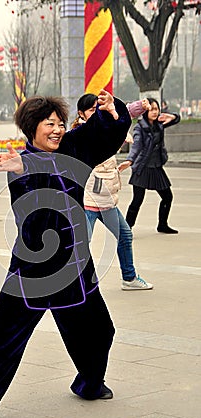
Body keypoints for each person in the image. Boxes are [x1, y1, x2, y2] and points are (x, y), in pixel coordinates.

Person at [0, 90, 131, 418]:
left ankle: (89, 383)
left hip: (76, 269)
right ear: (32, 128)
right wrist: (26, 164)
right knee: (3, 339)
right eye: (48, 124)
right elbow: (39, 184)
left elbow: (103, 134)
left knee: (100, 332)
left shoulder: (73, 147)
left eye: (59, 123)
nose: (56, 130)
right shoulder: (20, 164)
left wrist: (113, 114)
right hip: (34, 271)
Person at [74, 93, 153, 291]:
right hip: (88, 200)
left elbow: (121, 116)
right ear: (81, 114)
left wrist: (138, 107)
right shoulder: (82, 132)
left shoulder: (104, 128)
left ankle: (129, 277)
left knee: (125, 235)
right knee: (81, 243)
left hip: (106, 199)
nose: (96, 113)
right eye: (91, 110)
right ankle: (73, 283)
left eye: (97, 108)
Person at [123, 98, 180, 234]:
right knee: (137, 201)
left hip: (156, 166)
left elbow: (176, 119)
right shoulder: (140, 127)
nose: (155, 112)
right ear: (145, 111)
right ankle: (126, 229)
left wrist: (173, 116)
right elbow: (136, 147)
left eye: (157, 109)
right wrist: (130, 160)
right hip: (142, 168)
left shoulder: (159, 125)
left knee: (167, 197)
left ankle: (162, 225)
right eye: (151, 109)